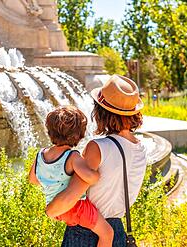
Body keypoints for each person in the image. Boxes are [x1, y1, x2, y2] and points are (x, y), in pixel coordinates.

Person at [46, 75, 147, 247]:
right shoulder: (141, 148)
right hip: (117, 231)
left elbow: (71, 196)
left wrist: (50, 210)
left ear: (101, 111)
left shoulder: (98, 148)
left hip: (86, 232)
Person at [28, 106, 114, 247]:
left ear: (49, 132)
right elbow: (92, 178)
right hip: (77, 207)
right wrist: (96, 171)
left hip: (57, 209)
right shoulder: (72, 156)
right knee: (107, 233)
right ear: (79, 135)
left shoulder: (40, 154)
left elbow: (33, 180)